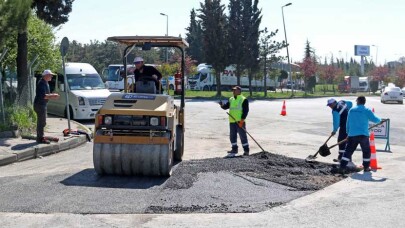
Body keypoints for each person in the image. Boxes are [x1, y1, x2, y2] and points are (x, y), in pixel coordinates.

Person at [337, 96, 382, 174]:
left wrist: (348, 133)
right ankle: (366, 167)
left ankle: (342, 167)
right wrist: (380, 120)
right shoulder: (367, 110)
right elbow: (375, 119)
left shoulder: (351, 110)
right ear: (364, 102)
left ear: (357, 101)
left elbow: (347, 123)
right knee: (366, 151)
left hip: (352, 135)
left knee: (348, 151)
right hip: (363, 135)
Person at [219, 86, 249, 157]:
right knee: (232, 136)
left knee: (243, 136)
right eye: (233, 90)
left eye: (235, 90)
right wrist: (222, 105)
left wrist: (242, 120)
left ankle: (246, 151)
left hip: (239, 121)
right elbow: (226, 107)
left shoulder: (243, 99)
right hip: (232, 121)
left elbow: (245, 111)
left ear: (239, 91)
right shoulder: (231, 99)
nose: (233, 92)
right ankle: (234, 149)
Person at [33, 70, 60, 144]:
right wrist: (53, 96)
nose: (51, 76)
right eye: (50, 75)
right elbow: (44, 96)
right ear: (46, 75)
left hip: (42, 104)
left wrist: (52, 95)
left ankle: (41, 137)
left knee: (42, 122)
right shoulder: (41, 83)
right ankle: (40, 138)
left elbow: (46, 95)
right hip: (40, 105)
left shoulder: (45, 83)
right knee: (41, 122)